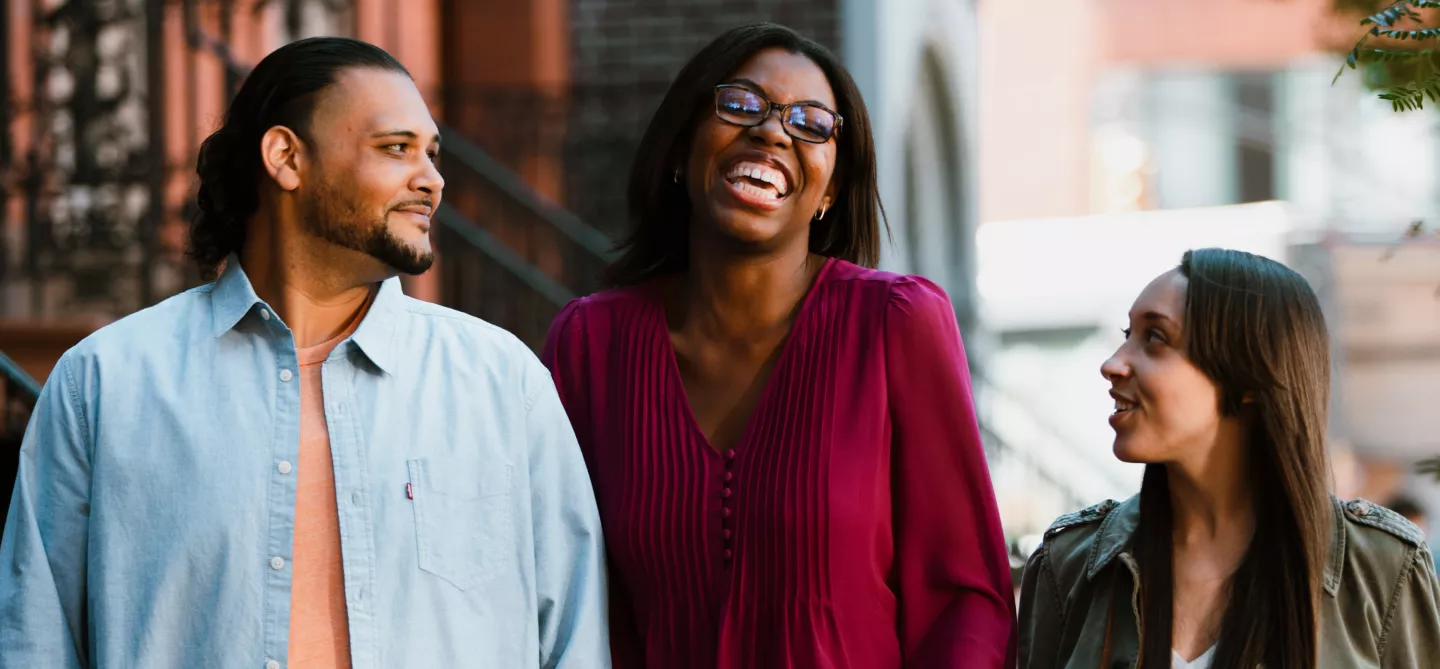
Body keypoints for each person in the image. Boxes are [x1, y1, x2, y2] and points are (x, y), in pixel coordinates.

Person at [0, 37, 608, 669]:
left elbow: (574, 638)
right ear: (287, 157)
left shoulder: (503, 385)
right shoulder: (104, 385)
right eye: (395, 148)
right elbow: (34, 641)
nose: (431, 179)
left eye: (431, 153)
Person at [542, 22, 1015, 668]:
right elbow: (566, 592)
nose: (772, 132)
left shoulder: (896, 325)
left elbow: (966, 597)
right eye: (741, 103)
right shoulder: (590, 347)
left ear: (830, 191)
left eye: (812, 123)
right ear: (681, 149)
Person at [1018, 249, 1440, 669]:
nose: (1113, 364)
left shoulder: (1382, 570)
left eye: (1155, 338)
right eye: (1127, 334)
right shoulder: (1068, 565)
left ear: (1250, 376)